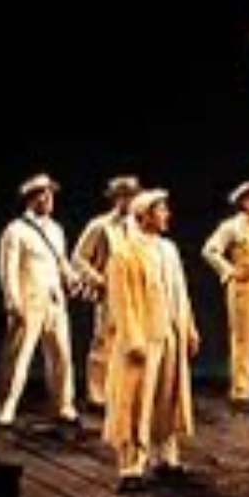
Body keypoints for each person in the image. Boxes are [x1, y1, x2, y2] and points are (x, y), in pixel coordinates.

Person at [104, 188, 200, 493]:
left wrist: (189, 328)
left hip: (169, 333)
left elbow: (180, 292)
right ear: (144, 216)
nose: (167, 215)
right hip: (143, 338)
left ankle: (166, 458)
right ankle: (131, 466)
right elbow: (122, 301)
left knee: (167, 398)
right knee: (135, 401)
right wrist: (133, 338)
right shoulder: (124, 252)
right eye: (161, 210)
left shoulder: (168, 249)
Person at [0, 172, 83, 434]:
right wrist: (12, 300)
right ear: (31, 198)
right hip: (28, 300)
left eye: (51, 193)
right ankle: (4, 408)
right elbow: (7, 269)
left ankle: (64, 405)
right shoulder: (15, 230)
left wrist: (71, 278)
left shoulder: (56, 229)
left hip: (54, 300)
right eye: (43, 193)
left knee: (62, 355)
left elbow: (61, 260)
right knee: (18, 356)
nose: (49, 198)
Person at [71, 174, 142, 413]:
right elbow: (79, 257)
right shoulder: (100, 225)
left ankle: (126, 391)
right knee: (104, 341)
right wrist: (98, 279)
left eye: (132, 195)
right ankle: (97, 395)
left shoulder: (139, 224)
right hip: (110, 290)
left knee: (133, 340)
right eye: (123, 195)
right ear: (115, 198)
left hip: (135, 289)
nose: (129, 200)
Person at [202, 178, 249, 409]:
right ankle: (240, 392)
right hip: (243, 288)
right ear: (242, 202)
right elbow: (210, 250)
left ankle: (246, 386)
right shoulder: (231, 226)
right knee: (243, 338)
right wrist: (229, 271)